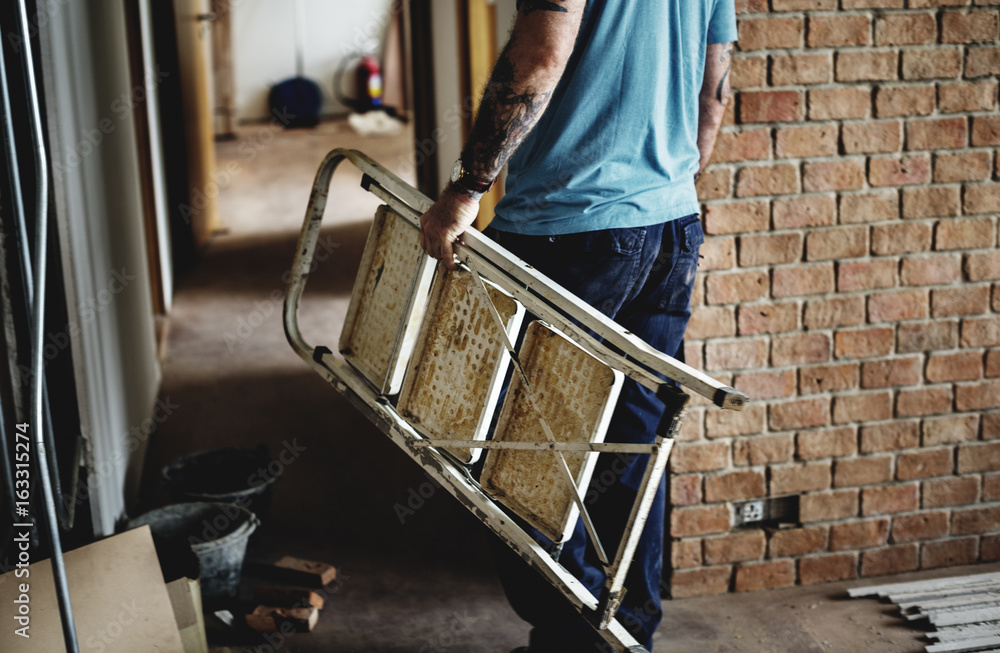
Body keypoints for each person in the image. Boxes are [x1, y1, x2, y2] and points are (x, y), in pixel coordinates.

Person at [419, 1, 736, 651]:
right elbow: (714, 91)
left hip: (569, 232)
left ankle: (581, 629)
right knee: (631, 448)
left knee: (510, 453)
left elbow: (539, 56)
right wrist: (667, 181)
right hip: (671, 226)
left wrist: (467, 187)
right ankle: (624, 633)